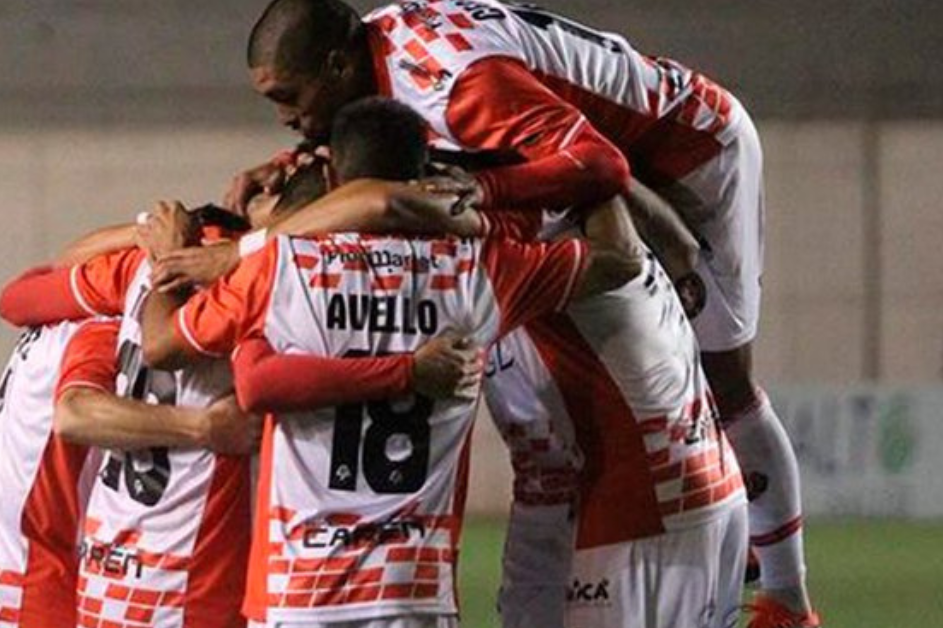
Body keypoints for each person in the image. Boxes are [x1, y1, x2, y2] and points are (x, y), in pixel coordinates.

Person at [240, 3, 817, 625]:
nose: (285, 118)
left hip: (693, 148)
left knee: (725, 379)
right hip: (599, 170)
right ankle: (722, 543)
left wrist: (483, 192)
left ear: (335, 65)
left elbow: (603, 167)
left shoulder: (461, 95)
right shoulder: (376, 60)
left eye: (290, 97)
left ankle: (788, 598)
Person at [137, 97, 641, 628]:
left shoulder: (279, 269)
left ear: (332, 175)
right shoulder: (478, 268)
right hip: (412, 593)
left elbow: (162, 345)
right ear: (426, 170)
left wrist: (165, 259)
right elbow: (620, 259)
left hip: (300, 591)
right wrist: (581, 172)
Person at [0, 174, 479, 628]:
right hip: (192, 579)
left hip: (110, 578)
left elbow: (22, 295)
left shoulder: (135, 269)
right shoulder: (268, 280)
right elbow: (255, 378)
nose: (255, 187)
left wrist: (152, 234)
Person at [0, 319, 117, 628]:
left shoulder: (49, 322)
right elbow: (77, 415)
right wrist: (196, 427)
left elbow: (18, 296)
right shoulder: (97, 331)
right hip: (24, 586)